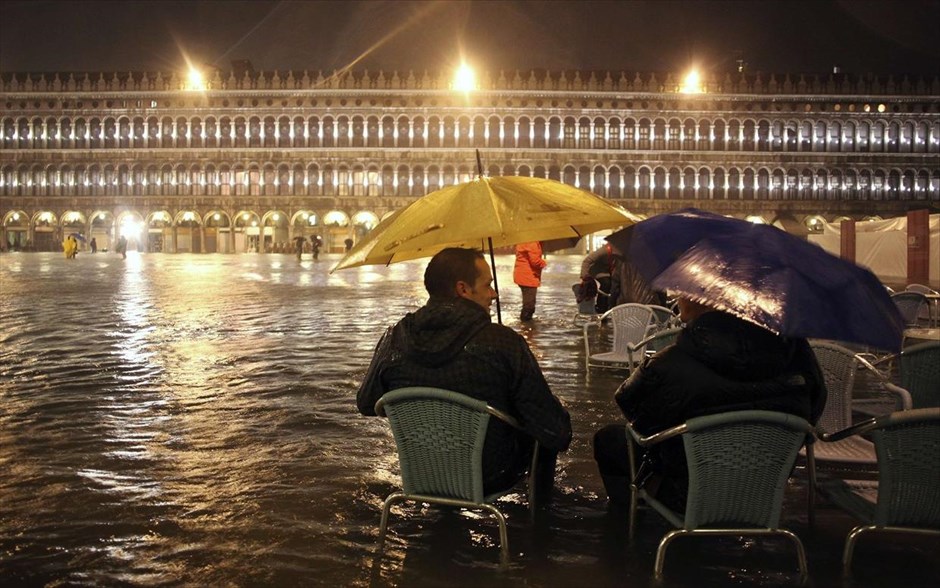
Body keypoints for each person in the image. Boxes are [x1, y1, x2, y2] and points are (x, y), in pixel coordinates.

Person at [357, 247, 572, 497]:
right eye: (488, 285)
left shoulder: (395, 337)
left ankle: (442, 516)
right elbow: (557, 432)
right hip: (492, 476)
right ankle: (541, 526)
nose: (493, 294)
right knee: (544, 430)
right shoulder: (502, 342)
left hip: (422, 473)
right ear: (463, 289)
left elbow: (366, 403)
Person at [593, 296, 827, 510]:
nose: (676, 296)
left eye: (682, 291)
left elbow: (635, 413)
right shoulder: (798, 355)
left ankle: (630, 523)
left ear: (701, 301)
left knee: (609, 440)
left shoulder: (671, 362)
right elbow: (814, 410)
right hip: (765, 491)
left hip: (687, 493)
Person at [579, 244, 618, 314]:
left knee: (617, 285)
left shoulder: (623, 253)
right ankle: (601, 307)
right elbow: (587, 261)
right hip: (598, 271)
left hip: (611, 271)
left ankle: (613, 305)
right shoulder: (604, 251)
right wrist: (584, 277)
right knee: (606, 283)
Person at [513, 241, 546, 322]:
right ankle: (526, 326)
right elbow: (535, 262)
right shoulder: (532, 242)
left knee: (528, 304)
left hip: (523, 276)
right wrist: (544, 262)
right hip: (528, 278)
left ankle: (525, 326)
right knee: (529, 305)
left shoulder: (525, 241)